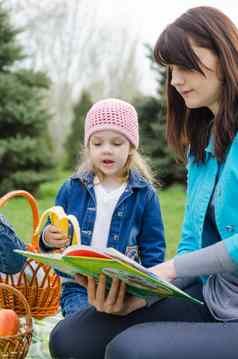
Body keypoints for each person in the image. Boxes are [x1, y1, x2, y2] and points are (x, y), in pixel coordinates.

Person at [49, 6, 238, 359]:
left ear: (224, 54)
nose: (176, 80)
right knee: (70, 338)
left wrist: (167, 269)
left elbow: (180, 262)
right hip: (211, 299)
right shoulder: (204, 146)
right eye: (170, 69)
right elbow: (190, 245)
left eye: (185, 65)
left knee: (128, 351)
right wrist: (144, 294)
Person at [40, 98, 165, 317]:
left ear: (131, 147)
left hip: (123, 288)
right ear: (88, 146)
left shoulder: (144, 195)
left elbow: (153, 249)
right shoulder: (72, 188)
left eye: (117, 143)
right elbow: (52, 235)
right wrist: (48, 238)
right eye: (98, 143)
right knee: (83, 325)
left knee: (119, 328)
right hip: (79, 286)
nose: (107, 150)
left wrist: (147, 293)